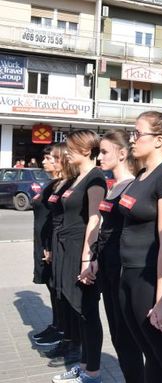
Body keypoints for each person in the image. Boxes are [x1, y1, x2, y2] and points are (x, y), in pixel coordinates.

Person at [119, 111, 162, 383]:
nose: (131, 139)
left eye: (137, 134)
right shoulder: (142, 174)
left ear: (158, 140)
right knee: (151, 355)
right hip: (129, 274)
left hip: (150, 279)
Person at [51, 130, 106, 383]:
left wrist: (87, 259)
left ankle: (92, 370)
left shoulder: (95, 179)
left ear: (86, 150)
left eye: (72, 147)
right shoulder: (77, 177)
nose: (67, 151)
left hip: (79, 252)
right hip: (67, 249)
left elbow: (94, 220)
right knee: (77, 311)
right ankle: (84, 365)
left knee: (87, 312)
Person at [97, 130, 144, 382]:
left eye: (105, 152)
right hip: (107, 267)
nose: (100, 157)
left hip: (123, 269)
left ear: (123, 154)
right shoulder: (112, 186)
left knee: (127, 337)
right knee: (116, 334)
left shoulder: (134, 187)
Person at [39, 143, 81, 368]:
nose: (47, 162)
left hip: (68, 247)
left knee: (71, 299)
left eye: (52, 158)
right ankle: (67, 339)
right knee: (60, 294)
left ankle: (77, 345)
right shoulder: (59, 184)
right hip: (55, 244)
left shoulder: (76, 183)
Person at [31, 147, 61, 347]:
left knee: (55, 287)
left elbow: (56, 220)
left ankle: (61, 329)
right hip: (43, 243)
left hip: (50, 246)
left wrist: (50, 246)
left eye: (48, 157)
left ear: (59, 161)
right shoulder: (52, 184)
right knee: (51, 287)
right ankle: (56, 324)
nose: (44, 161)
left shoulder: (60, 186)